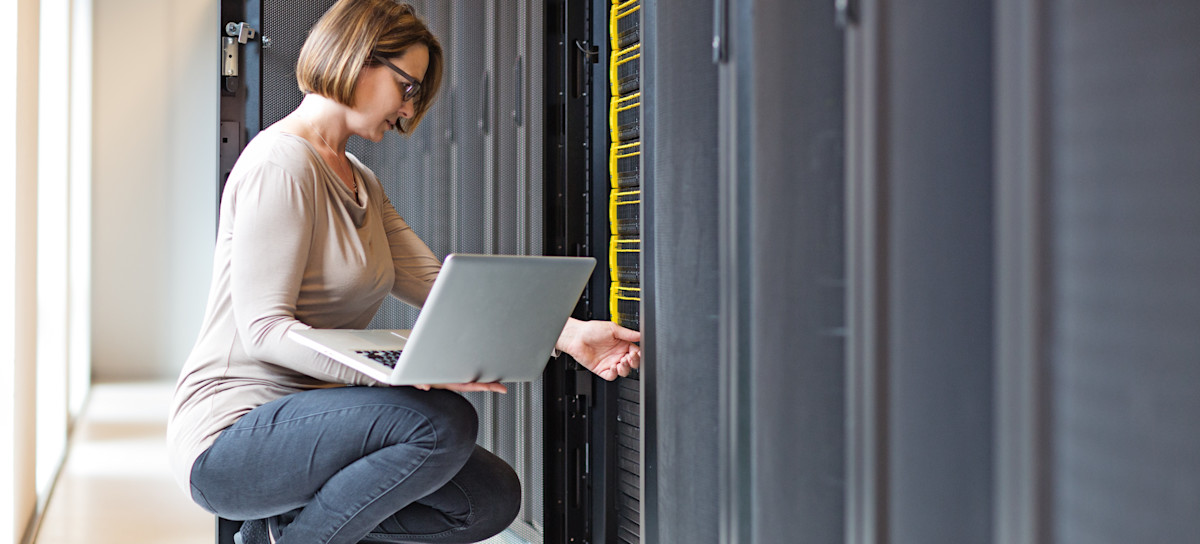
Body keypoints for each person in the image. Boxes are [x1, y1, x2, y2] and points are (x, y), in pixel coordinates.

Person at [165, 1, 642, 543]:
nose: (409, 113)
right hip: (234, 433)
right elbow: (264, 331)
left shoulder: (360, 180)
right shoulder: (281, 164)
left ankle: (279, 530)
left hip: (316, 423)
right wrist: (394, 372)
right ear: (359, 61)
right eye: (408, 88)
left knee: (487, 498)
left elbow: (437, 288)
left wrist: (571, 334)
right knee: (438, 422)